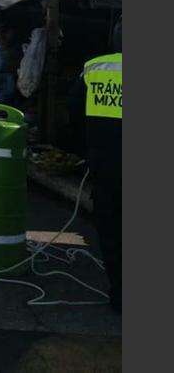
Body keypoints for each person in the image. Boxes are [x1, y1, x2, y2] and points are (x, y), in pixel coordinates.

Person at [69, 21, 122, 313]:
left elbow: (74, 109)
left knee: (112, 230)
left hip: (105, 164)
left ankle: (120, 294)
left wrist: (89, 144)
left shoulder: (95, 68)